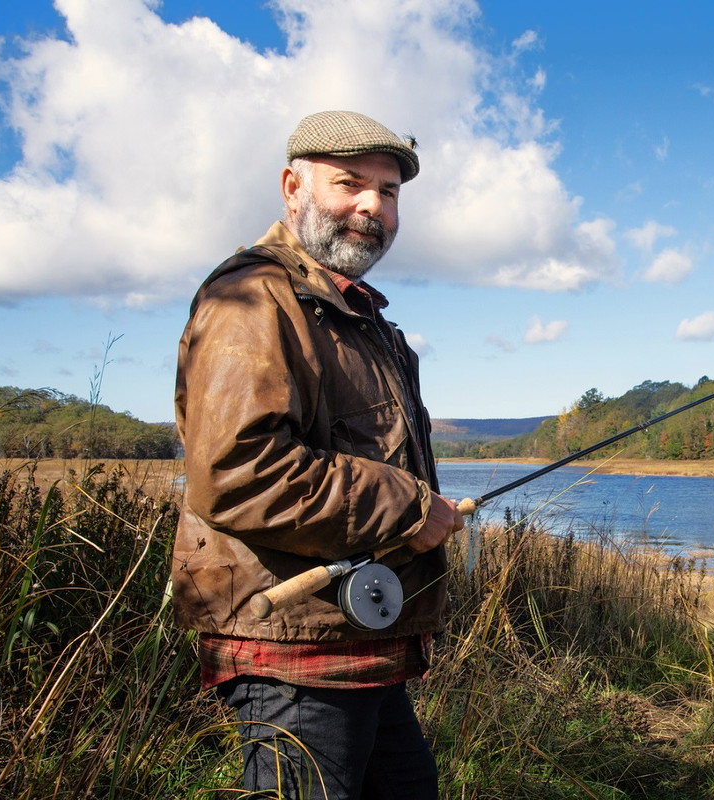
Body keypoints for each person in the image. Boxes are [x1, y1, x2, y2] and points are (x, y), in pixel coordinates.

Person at [172, 110, 463, 799]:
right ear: (292, 187)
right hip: (290, 652)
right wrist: (408, 508)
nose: (372, 206)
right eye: (350, 183)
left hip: (357, 641)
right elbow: (240, 473)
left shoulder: (360, 317)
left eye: (388, 191)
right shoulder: (252, 299)